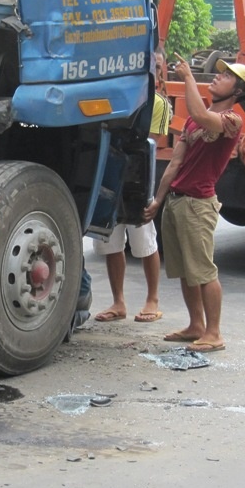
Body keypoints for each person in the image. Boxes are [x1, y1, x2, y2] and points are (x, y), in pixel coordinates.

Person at [142, 55, 245, 351]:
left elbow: (204, 117)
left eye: (226, 76)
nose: (217, 77)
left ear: (237, 92)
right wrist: (158, 201)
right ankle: (196, 325)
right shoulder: (193, 121)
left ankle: (214, 333)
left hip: (198, 205)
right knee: (185, 271)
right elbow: (175, 163)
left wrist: (189, 77)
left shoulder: (231, 121)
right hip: (177, 202)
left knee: (203, 271)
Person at [92, 51, 172, 324]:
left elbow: (149, 144)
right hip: (109, 174)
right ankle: (119, 302)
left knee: (145, 242)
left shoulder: (158, 103)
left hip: (137, 179)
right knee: (110, 242)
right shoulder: (118, 96)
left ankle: (153, 299)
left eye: (157, 67)